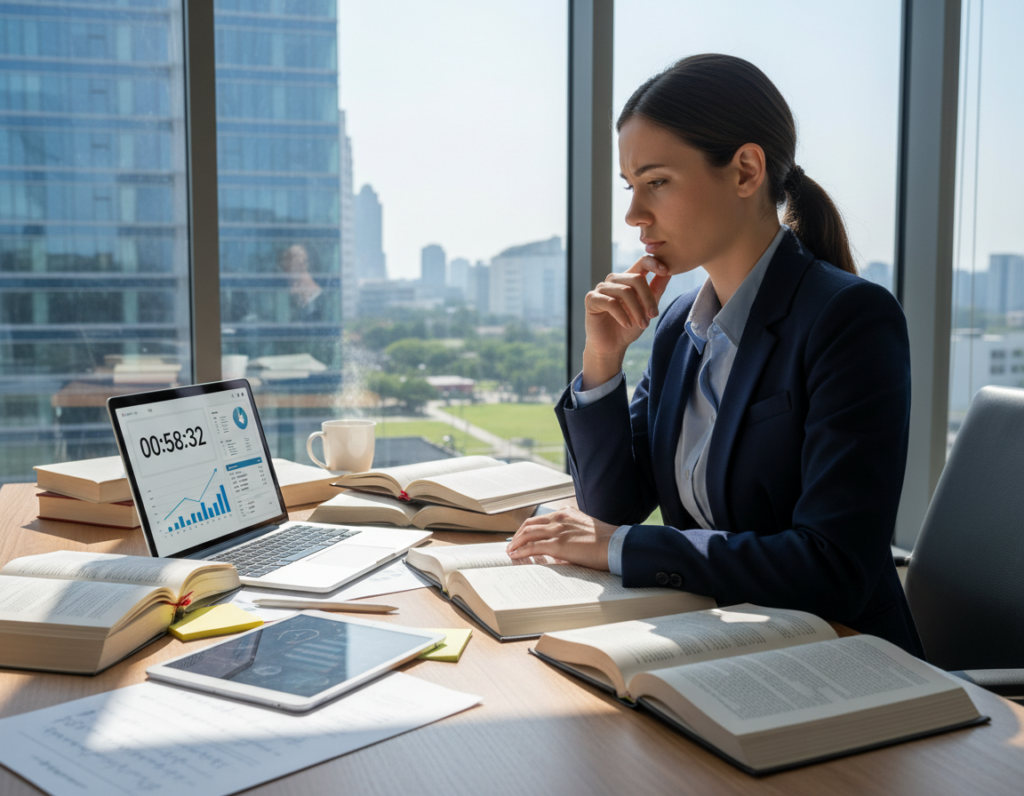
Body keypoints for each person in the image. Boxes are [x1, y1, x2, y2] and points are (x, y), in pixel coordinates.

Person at [507, 54, 922, 655]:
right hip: (712, 641)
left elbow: (834, 567)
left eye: (657, 182)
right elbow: (611, 505)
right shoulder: (680, 325)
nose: (634, 215)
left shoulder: (849, 319)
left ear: (746, 170)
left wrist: (622, 546)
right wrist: (601, 362)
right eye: (631, 188)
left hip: (838, 655)